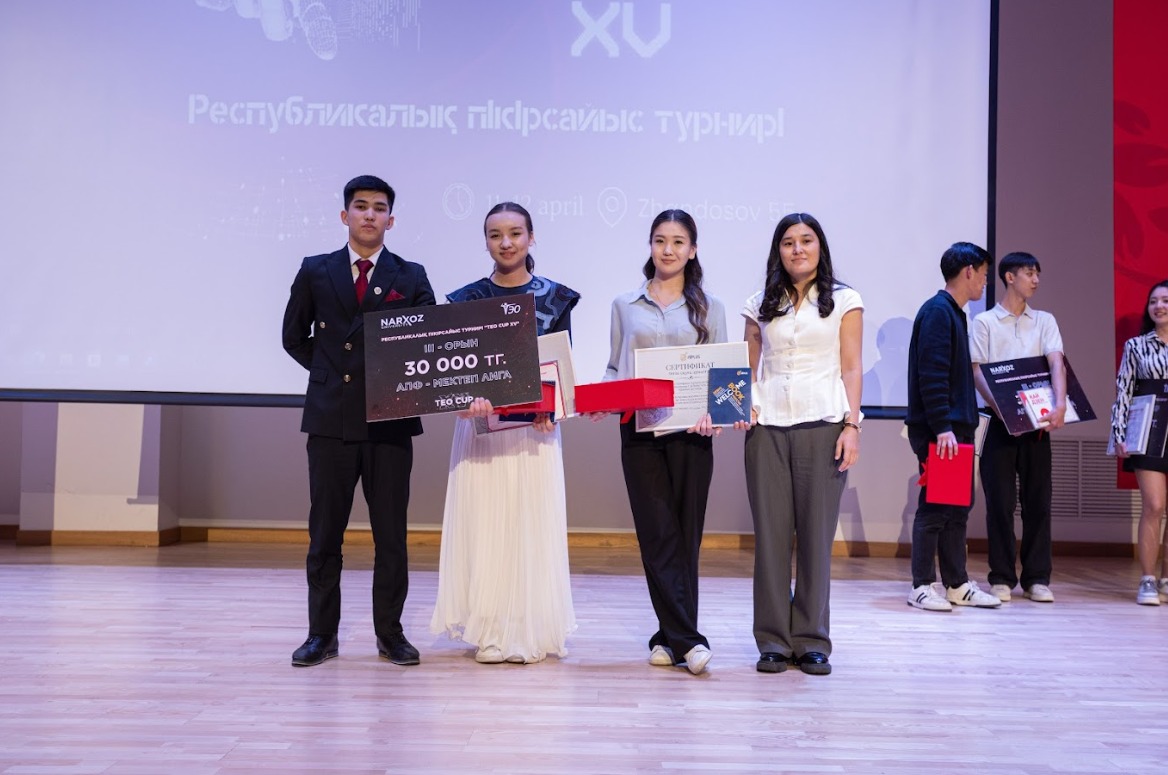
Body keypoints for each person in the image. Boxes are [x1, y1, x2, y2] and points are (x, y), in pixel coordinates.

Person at [282, 174, 436, 666]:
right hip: (331, 420)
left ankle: (390, 634)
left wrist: (382, 381)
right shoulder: (316, 269)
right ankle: (320, 635)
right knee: (325, 534)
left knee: (391, 536)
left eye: (379, 207)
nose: (370, 214)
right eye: (361, 206)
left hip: (390, 421)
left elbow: (428, 343)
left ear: (391, 219)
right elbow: (293, 337)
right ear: (344, 215)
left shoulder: (410, 275)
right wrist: (333, 376)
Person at [430, 202, 580, 662]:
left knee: (529, 528)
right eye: (496, 235)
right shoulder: (465, 299)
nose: (506, 242)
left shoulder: (556, 299)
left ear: (531, 238)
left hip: (534, 433)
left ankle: (527, 631)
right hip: (481, 434)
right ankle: (491, 631)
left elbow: (561, 368)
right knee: (486, 527)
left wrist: (554, 410)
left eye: (515, 233)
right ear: (486, 242)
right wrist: (460, 401)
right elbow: (452, 372)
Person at [600, 209, 726, 676]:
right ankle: (689, 640)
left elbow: (724, 373)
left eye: (677, 242)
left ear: (693, 250)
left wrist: (717, 413)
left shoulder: (711, 307)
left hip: (693, 434)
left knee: (685, 536)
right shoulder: (624, 304)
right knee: (656, 534)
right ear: (650, 246)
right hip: (638, 429)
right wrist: (600, 398)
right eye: (659, 240)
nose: (667, 249)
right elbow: (615, 367)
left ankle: (667, 637)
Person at [740, 213, 862, 676]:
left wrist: (853, 426)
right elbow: (745, 366)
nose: (797, 249)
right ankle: (773, 640)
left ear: (819, 247)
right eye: (788, 242)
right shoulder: (759, 303)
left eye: (806, 240)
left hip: (824, 426)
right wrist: (741, 406)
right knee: (771, 539)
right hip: (767, 427)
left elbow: (851, 367)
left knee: (815, 539)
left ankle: (811, 640)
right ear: (779, 251)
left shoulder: (845, 300)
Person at [905, 242, 1002, 612]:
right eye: (984, 274)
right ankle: (921, 585)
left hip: (955, 428)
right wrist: (942, 427)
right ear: (968, 271)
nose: (984, 282)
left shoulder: (955, 314)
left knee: (957, 508)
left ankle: (957, 584)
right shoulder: (938, 312)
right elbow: (931, 375)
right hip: (940, 430)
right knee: (935, 508)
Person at [970, 252, 1066, 604]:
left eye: (1038, 273)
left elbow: (1056, 362)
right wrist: (1003, 410)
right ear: (1009, 277)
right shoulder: (985, 322)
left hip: (1037, 424)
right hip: (998, 423)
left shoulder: (1044, 320)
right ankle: (1001, 577)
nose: (1036, 280)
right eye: (1029, 273)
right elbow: (977, 370)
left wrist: (1060, 404)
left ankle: (1037, 578)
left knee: (1038, 501)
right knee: (999, 502)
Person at [1111, 279, 1168, 606]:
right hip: (1148, 429)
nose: (1159, 306)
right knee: (1155, 505)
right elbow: (1124, 390)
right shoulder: (1136, 346)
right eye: (1153, 301)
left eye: (1165, 300)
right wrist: (1120, 434)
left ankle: (1166, 579)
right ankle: (1147, 579)